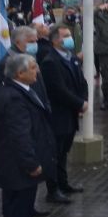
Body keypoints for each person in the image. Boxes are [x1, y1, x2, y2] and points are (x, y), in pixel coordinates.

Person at [0, 54, 56, 217]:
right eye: (32, 68)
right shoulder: (13, 97)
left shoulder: (20, 90)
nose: (37, 70)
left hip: (16, 165)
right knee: (20, 206)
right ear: (20, 73)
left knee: (22, 206)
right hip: (18, 166)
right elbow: (19, 135)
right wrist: (31, 163)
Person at [40, 23, 88, 201]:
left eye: (69, 35)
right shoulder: (50, 62)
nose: (70, 38)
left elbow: (82, 82)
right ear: (55, 41)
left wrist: (84, 100)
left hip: (71, 114)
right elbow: (58, 90)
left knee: (63, 153)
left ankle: (63, 183)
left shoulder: (71, 58)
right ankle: (52, 190)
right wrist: (79, 103)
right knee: (55, 153)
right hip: (59, 115)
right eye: (65, 36)